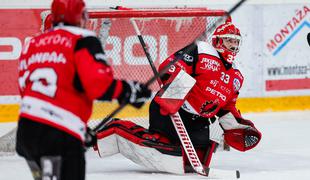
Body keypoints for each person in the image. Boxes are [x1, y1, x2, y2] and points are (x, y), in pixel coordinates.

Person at [95, 18, 262, 174]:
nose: (233, 45)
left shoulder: (237, 76)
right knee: (161, 144)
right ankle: (115, 130)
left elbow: (226, 108)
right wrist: (175, 93)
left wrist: (236, 125)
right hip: (171, 111)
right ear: (218, 41)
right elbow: (168, 67)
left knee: (198, 155)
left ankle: (173, 145)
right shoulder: (202, 50)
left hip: (198, 122)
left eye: (236, 42)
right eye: (229, 40)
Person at [15, 0, 151, 180]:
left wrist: (79, 128)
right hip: (59, 136)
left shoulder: (32, 43)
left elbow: (27, 90)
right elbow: (98, 85)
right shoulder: (82, 40)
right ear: (81, 16)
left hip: (27, 133)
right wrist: (130, 91)